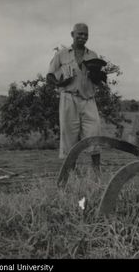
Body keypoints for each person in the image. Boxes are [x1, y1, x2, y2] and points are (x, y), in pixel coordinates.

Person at [46, 23, 106, 173]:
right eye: (80, 34)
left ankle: (97, 177)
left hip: (88, 99)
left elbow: (98, 80)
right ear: (72, 34)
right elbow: (49, 76)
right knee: (69, 139)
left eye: (86, 34)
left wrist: (98, 75)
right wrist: (60, 83)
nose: (83, 37)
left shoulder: (92, 55)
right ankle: (71, 177)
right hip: (69, 98)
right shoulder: (62, 54)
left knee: (94, 134)